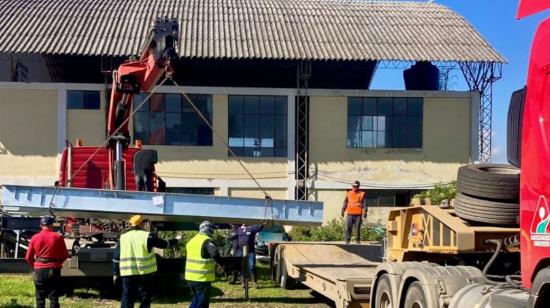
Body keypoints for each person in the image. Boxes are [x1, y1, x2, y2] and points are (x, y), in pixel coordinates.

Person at [112, 215, 180, 308]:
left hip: (127, 274)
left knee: (127, 297)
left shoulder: (123, 237)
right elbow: (165, 244)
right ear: (141, 224)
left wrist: (115, 273)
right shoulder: (148, 236)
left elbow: (116, 257)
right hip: (144, 274)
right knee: (145, 298)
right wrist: (176, 240)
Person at [25, 215, 68, 308]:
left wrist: (35, 265)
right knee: (54, 296)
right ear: (52, 225)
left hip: (39, 269)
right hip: (54, 268)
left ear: (41, 225)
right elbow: (65, 255)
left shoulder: (35, 238)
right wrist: (58, 264)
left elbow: (28, 257)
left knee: (40, 296)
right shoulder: (58, 237)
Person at [185, 221, 223, 308]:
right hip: (201, 278)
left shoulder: (192, 240)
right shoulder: (207, 240)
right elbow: (215, 253)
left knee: (197, 299)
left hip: (190, 277)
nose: (213, 231)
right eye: (212, 229)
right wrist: (222, 264)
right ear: (208, 229)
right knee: (202, 303)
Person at [230, 222, 265, 288]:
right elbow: (234, 236)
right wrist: (230, 238)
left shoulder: (252, 228)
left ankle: (254, 282)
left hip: (250, 251)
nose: (244, 222)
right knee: (242, 266)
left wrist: (262, 224)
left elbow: (260, 227)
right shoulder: (239, 229)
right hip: (240, 251)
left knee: (252, 266)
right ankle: (243, 282)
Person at [341, 180, 367, 244]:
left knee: (357, 228)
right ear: (352, 186)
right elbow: (345, 202)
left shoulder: (361, 194)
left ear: (358, 186)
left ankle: (357, 241)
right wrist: (343, 210)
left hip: (358, 214)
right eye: (353, 186)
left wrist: (365, 211)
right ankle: (347, 240)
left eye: (356, 186)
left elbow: (365, 204)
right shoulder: (349, 193)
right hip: (349, 214)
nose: (354, 187)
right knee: (347, 228)